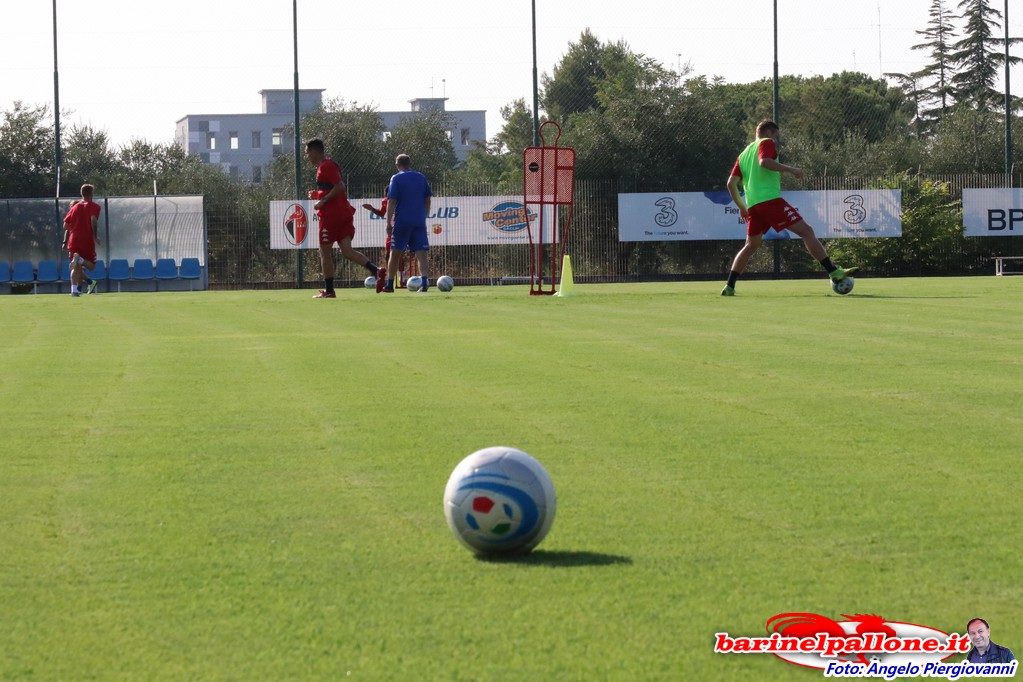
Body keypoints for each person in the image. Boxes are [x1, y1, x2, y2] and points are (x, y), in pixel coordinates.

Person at [722, 120, 857, 296]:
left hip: (753, 206)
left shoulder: (743, 154)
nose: (776, 140)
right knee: (807, 232)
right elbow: (764, 162)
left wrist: (742, 206)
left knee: (750, 246)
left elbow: (731, 184)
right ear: (769, 132)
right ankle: (833, 271)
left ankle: (729, 286)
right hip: (770, 201)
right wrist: (792, 170)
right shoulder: (766, 142)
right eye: (776, 136)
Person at [304, 138, 385, 298]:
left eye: (307, 153)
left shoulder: (325, 166)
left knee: (324, 253)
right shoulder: (326, 166)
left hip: (331, 216)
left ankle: (329, 291)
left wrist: (323, 201)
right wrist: (318, 194)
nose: (307, 157)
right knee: (347, 251)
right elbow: (332, 187)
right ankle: (377, 271)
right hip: (343, 214)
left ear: (314, 152)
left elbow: (340, 186)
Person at [383, 154, 432, 293]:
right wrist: (424, 216)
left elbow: (391, 201)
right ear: (409, 164)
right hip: (418, 221)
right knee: (421, 252)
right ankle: (424, 283)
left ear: (397, 165)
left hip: (402, 221)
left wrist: (388, 222)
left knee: (395, 253)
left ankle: (389, 285)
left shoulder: (396, 178)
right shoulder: (421, 177)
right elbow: (427, 199)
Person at [61, 184, 102, 297]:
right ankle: (80, 261)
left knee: (76, 268)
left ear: (81, 193)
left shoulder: (74, 207)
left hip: (73, 239)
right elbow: (93, 220)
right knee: (91, 266)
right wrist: (95, 236)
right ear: (92, 194)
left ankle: (74, 291)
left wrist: (75, 229)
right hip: (86, 239)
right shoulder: (94, 206)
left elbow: (65, 225)